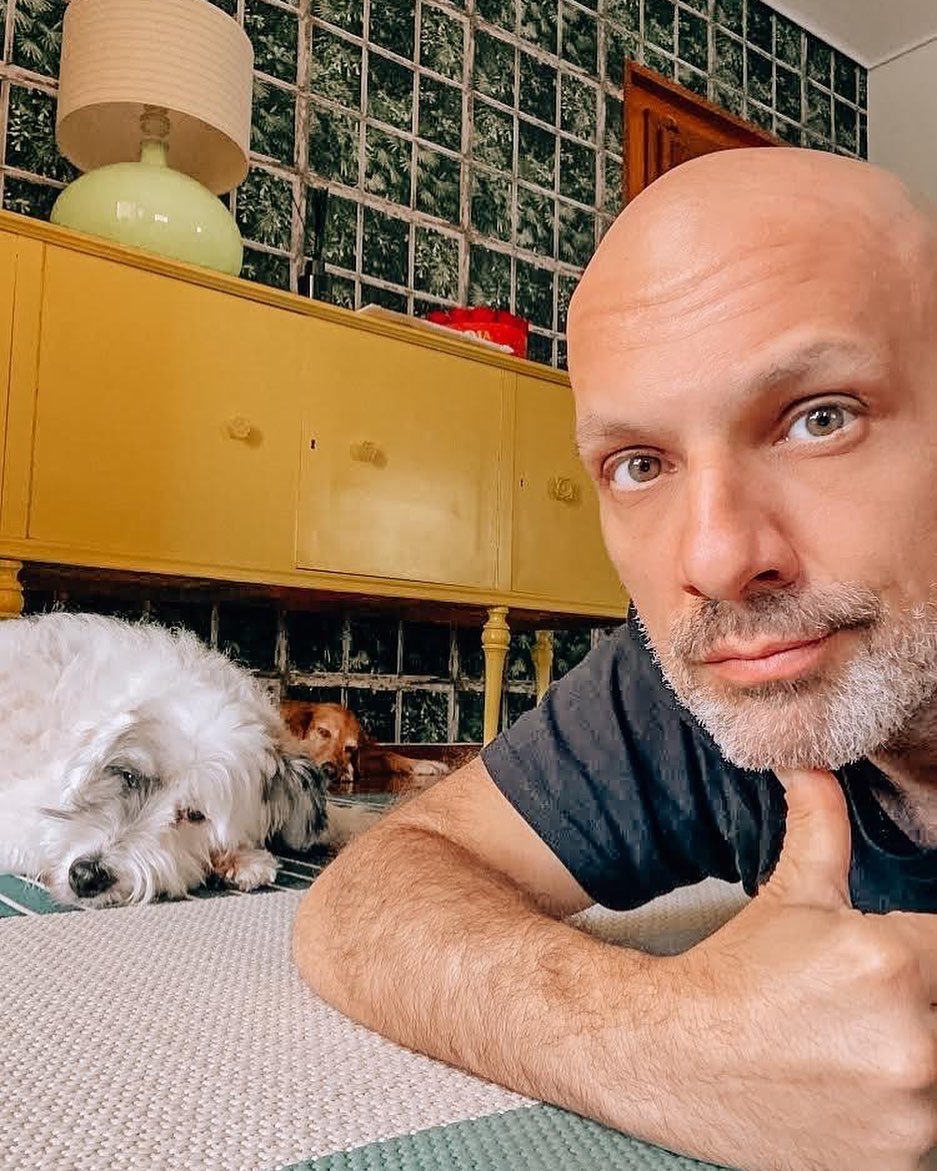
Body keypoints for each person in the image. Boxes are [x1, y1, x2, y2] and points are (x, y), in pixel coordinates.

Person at [293, 148, 937, 1171]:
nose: (714, 560)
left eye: (820, 418)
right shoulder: (711, 672)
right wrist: (673, 1040)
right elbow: (366, 897)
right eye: (639, 464)